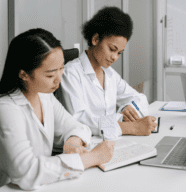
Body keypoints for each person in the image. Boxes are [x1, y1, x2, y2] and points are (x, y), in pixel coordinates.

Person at [0, 28, 115, 192]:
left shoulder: (43, 95)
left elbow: (76, 126)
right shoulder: (4, 109)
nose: (59, 79)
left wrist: (72, 142)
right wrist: (89, 158)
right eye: (50, 74)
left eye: (61, 68)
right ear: (23, 74)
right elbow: (26, 172)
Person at [56, 7, 157, 140]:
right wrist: (128, 126)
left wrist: (127, 108)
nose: (115, 57)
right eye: (112, 49)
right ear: (96, 39)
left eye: (119, 53)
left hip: (112, 142)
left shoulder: (109, 74)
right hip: (86, 147)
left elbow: (140, 99)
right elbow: (79, 121)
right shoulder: (71, 73)